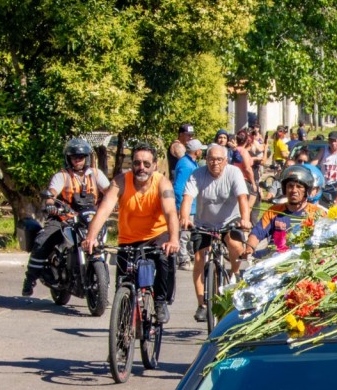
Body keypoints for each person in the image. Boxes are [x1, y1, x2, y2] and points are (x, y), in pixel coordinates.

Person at [80, 142, 180, 324]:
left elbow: (171, 212)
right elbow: (104, 210)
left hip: (157, 235)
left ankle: (159, 302)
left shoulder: (162, 183)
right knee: (124, 285)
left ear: (155, 166)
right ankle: (121, 338)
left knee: (165, 257)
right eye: (137, 163)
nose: (141, 167)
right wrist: (90, 237)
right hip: (128, 238)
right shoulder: (120, 182)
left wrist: (173, 239)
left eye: (146, 164)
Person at [22, 138, 112, 296]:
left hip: (90, 218)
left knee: (101, 242)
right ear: (68, 158)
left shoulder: (96, 174)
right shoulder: (62, 176)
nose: (78, 160)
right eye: (74, 157)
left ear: (86, 158)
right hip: (65, 218)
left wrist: (118, 200)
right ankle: (30, 279)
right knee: (42, 240)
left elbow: (110, 191)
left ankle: (100, 282)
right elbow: (52, 193)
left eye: (81, 157)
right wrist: (50, 203)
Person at [179, 144, 252, 323]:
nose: (215, 163)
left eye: (219, 159)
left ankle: (234, 273)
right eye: (211, 159)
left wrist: (245, 219)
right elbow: (187, 198)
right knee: (199, 259)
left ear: (226, 160)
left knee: (235, 246)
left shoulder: (234, 173)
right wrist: (184, 218)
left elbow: (242, 198)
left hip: (230, 222)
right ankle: (202, 304)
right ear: (206, 160)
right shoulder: (197, 175)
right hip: (204, 224)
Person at [245, 166, 322, 256]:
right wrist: (249, 248)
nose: (294, 190)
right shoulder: (273, 212)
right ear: (284, 189)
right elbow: (257, 233)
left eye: (299, 187)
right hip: (275, 259)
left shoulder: (317, 214)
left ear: (306, 191)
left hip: (305, 260)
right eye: (290, 186)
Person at [172, 138, 205, 271]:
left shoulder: (191, 163)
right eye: (200, 150)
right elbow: (179, 187)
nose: (201, 152)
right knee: (184, 235)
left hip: (193, 206)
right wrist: (180, 207)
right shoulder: (186, 165)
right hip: (187, 207)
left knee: (190, 234)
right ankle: (182, 260)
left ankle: (190, 256)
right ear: (197, 151)